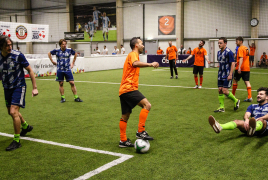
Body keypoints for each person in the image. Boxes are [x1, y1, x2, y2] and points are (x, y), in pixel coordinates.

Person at [118, 37, 159, 147]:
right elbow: (135, 63)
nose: (143, 45)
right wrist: (150, 64)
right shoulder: (133, 54)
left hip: (123, 90)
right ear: (136, 45)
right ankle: (140, 131)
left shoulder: (133, 55)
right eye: (141, 43)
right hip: (129, 88)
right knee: (147, 105)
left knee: (125, 116)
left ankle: (123, 140)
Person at [0, 35, 38, 151]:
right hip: (7, 87)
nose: (9, 47)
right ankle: (25, 126)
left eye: (10, 45)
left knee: (13, 111)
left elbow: (30, 70)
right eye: (7, 46)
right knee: (11, 112)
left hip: (18, 86)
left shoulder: (18, 56)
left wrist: (34, 87)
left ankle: (16, 141)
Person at [214, 37, 240, 113]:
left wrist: (230, 74)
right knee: (220, 90)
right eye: (218, 43)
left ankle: (236, 100)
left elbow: (233, 63)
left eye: (220, 43)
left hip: (227, 74)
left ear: (225, 43)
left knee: (225, 91)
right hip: (220, 74)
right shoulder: (218, 52)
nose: (219, 44)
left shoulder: (229, 52)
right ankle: (221, 108)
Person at [232, 36, 252, 102]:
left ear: (241, 41)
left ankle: (233, 95)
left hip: (240, 68)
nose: (236, 42)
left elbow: (241, 58)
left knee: (235, 80)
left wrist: (239, 67)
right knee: (247, 82)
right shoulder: (246, 48)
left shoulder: (240, 48)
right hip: (247, 68)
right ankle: (250, 97)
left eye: (237, 41)